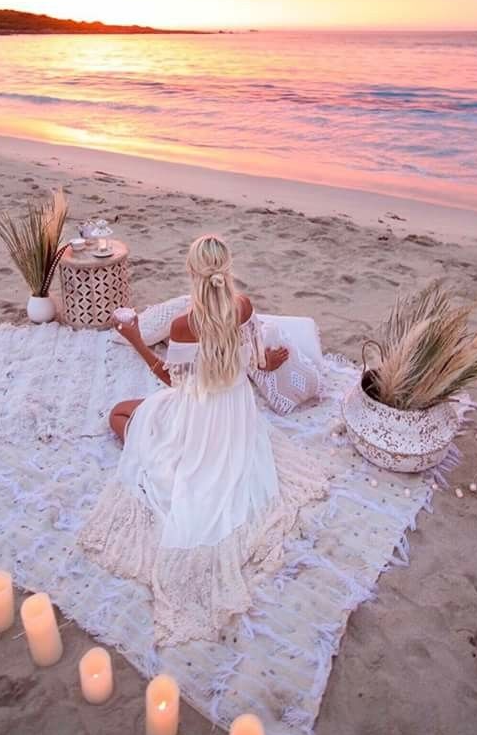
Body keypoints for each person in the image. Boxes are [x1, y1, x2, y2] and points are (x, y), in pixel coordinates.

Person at [79, 234, 329, 646]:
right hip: (236, 414)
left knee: (121, 415)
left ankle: (163, 452)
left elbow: (168, 377)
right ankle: (171, 448)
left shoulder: (186, 324)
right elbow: (255, 359)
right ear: (226, 270)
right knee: (139, 416)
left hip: (198, 412)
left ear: (193, 274)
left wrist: (133, 336)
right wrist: (273, 361)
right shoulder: (243, 306)